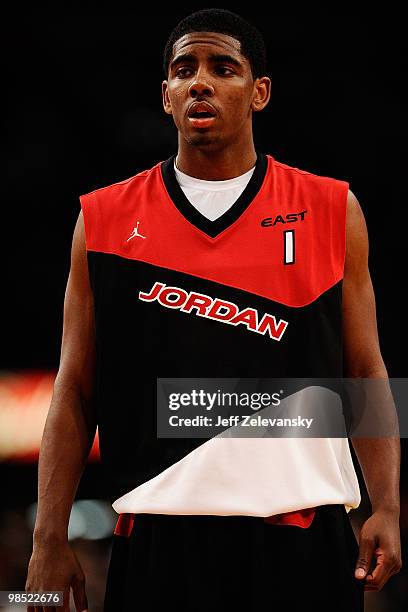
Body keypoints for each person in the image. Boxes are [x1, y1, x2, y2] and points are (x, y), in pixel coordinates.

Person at [26, 9, 401, 612]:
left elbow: (365, 369)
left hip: (302, 541)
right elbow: (73, 389)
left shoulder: (332, 207)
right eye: (183, 70)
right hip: (157, 544)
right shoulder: (101, 219)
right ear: (167, 96)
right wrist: (48, 536)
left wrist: (387, 503)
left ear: (260, 93)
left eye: (223, 68)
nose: (200, 81)